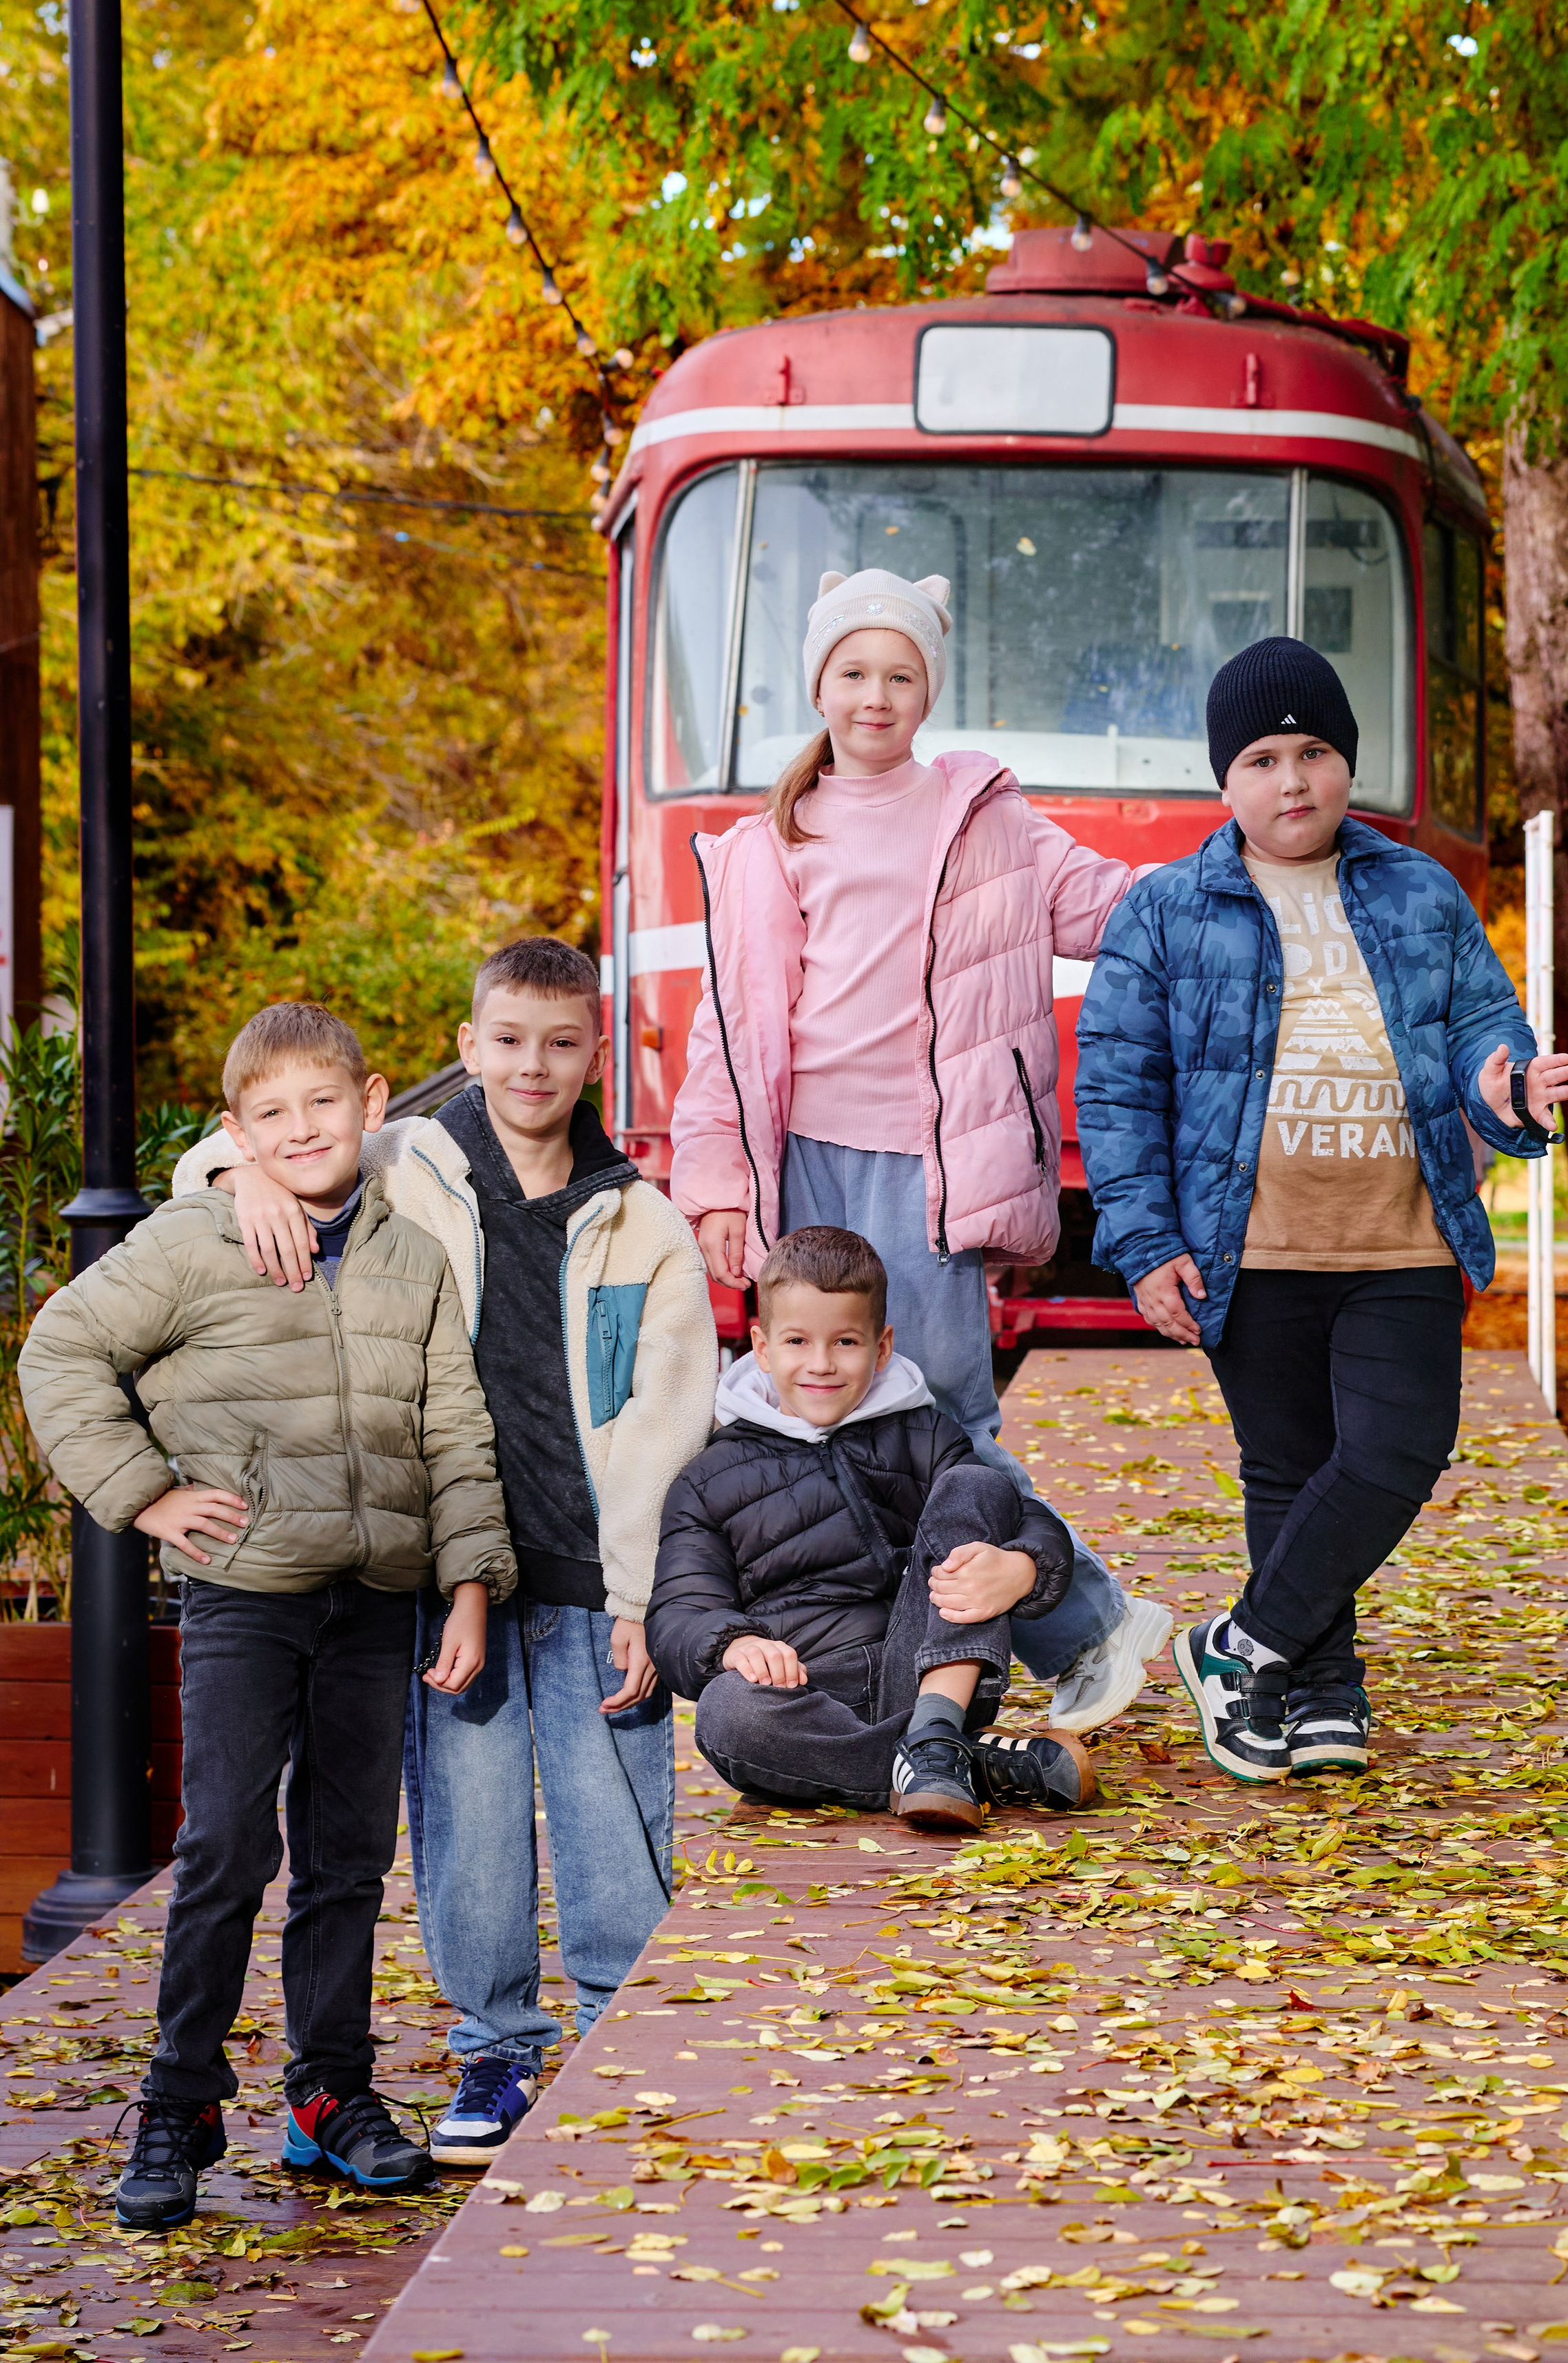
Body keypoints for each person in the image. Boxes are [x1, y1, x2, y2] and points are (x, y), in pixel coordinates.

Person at [169, 941, 718, 2167]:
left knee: (613, 1809)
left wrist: (646, 1593)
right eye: (509, 1040)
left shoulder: (641, 1220)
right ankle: (496, 2051)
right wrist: (233, 1177)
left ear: (595, 1052)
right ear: (467, 1048)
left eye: (562, 1043)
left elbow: (669, 1420)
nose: (534, 1065)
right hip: (444, 1569)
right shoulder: (410, 1167)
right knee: (467, 1819)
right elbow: (261, 1148)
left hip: (589, 1569)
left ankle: (621, 2037)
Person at [19, 1003, 513, 2229]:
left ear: (374, 1101)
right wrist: (142, 1495)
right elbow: (61, 1351)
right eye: (273, 1115)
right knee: (228, 1849)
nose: (305, 1131)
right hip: (244, 1595)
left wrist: (465, 1583)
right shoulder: (198, 1238)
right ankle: (181, 2101)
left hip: (375, 1601)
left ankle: (328, 2094)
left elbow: (453, 1430)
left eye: (325, 1104)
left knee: (347, 1861)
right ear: (239, 1132)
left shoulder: (414, 1257)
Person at [671, 564, 1171, 1732]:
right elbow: (727, 1031)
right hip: (801, 1159)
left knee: (944, 1411)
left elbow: (1114, 909)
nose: (876, 695)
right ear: (821, 686)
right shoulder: (769, 840)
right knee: (816, 1406)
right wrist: (719, 1183)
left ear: (927, 691)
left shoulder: (983, 815)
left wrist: (1245, 875)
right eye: (853, 671)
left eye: (899, 674)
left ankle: (1086, 1624)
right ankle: (897, 1660)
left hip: (929, 1161)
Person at [1075, 635, 1568, 1783]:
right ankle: (1317, 1693)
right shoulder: (1164, 911)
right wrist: (1147, 1243)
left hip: (1399, 1235)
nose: (1290, 779)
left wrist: (1507, 1093)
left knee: (1399, 1449)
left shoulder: (1418, 888)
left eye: (1313, 752)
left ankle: (1237, 1643)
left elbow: (1482, 1037)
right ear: (1225, 780)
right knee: (1289, 1466)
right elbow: (1115, 1087)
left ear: (1347, 765)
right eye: (1260, 757)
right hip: (1248, 1246)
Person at [648, 1226, 1095, 1830]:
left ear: (882, 1347)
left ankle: (937, 1730)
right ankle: (954, 1763)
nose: (821, 1364)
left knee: (979, 1483)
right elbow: (680, 1608)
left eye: (846, 1341)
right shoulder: (708, 1477)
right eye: (797, 1341)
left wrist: (1024, 1567)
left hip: (936, 1669)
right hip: (810, 1690)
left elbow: (1025, 1518)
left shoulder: (923, 1434)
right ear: (761, 1345)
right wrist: (733, 1643)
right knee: (728, 1714)